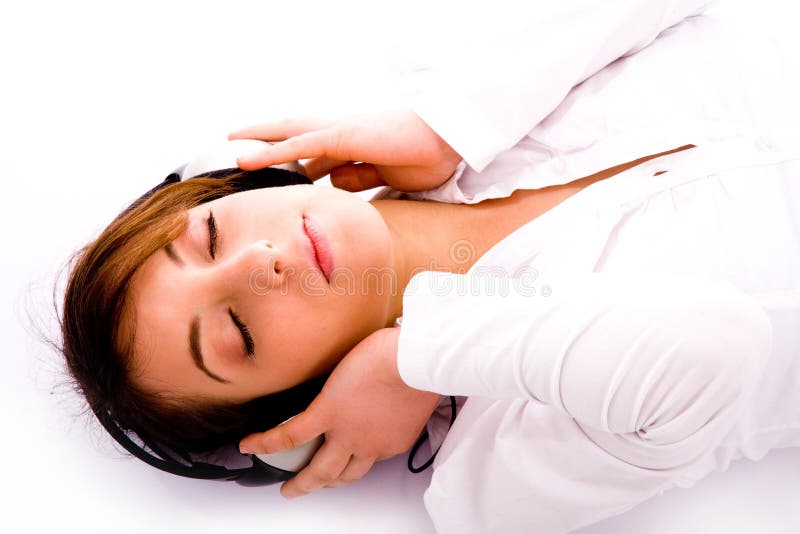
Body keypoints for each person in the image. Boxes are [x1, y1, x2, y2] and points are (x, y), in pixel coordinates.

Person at [58, 2, 800, 534]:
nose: (261, 261)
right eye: (238, 333)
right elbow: (715, 346)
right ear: (297, 420)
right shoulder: (496, 476)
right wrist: (411, 358)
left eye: (212, 235)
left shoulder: (456, 87)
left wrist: (453, 119)